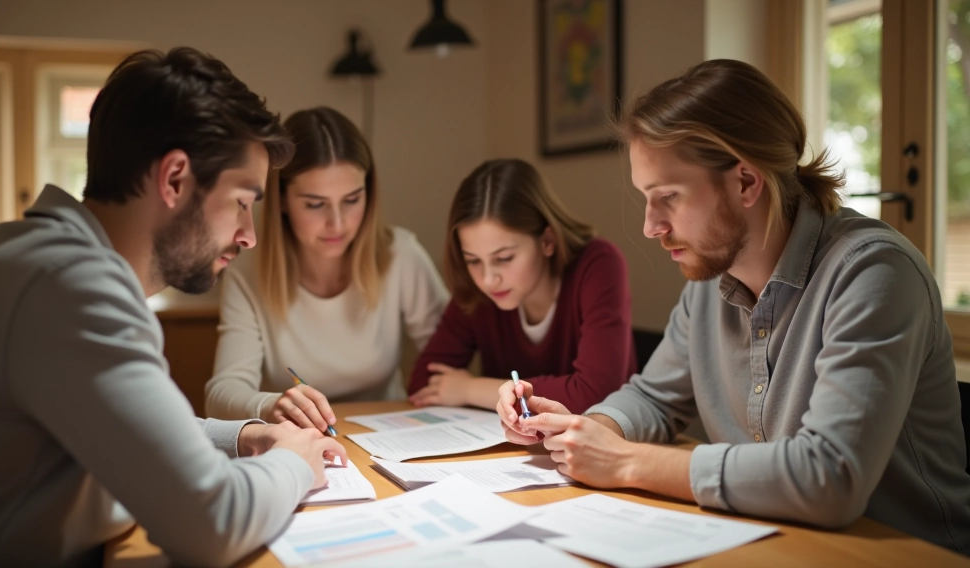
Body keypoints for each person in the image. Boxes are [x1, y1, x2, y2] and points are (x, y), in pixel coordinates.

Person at [497, 59, 970, 554]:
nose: (650, 226)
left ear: (746, 182)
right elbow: (655, 399)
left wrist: (624, 462)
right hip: (776, 542)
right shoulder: (710, 279)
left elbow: (830, 478)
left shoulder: (874, 274)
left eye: (669, 198)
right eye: (645, 198)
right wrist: (586, 430)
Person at [0, 47, 347, 568]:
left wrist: (248, 434)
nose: (248, 236)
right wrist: (294, 462)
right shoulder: (71, 288)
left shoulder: (48, 264)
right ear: (175, 179)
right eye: (242, 202)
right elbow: (213, 525)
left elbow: (142, 429)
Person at [206, 107, 448, 430]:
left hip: (393, 439)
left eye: (352, 200)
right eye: (315, 204)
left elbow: (452, 359)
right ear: (281, 200)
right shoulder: (247, 271)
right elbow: (221, 394)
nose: (337, 223)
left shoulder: (400, 255)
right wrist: (271, 404)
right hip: (303, 442)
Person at [409, 159, 636, 414]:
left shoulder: (598, 265)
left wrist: (469, 389)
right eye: (473, 260)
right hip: (515, 449)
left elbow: (596, 395)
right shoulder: (479, 290)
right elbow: (424, 385)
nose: (488, 279)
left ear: (547, 241)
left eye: (504, 258)